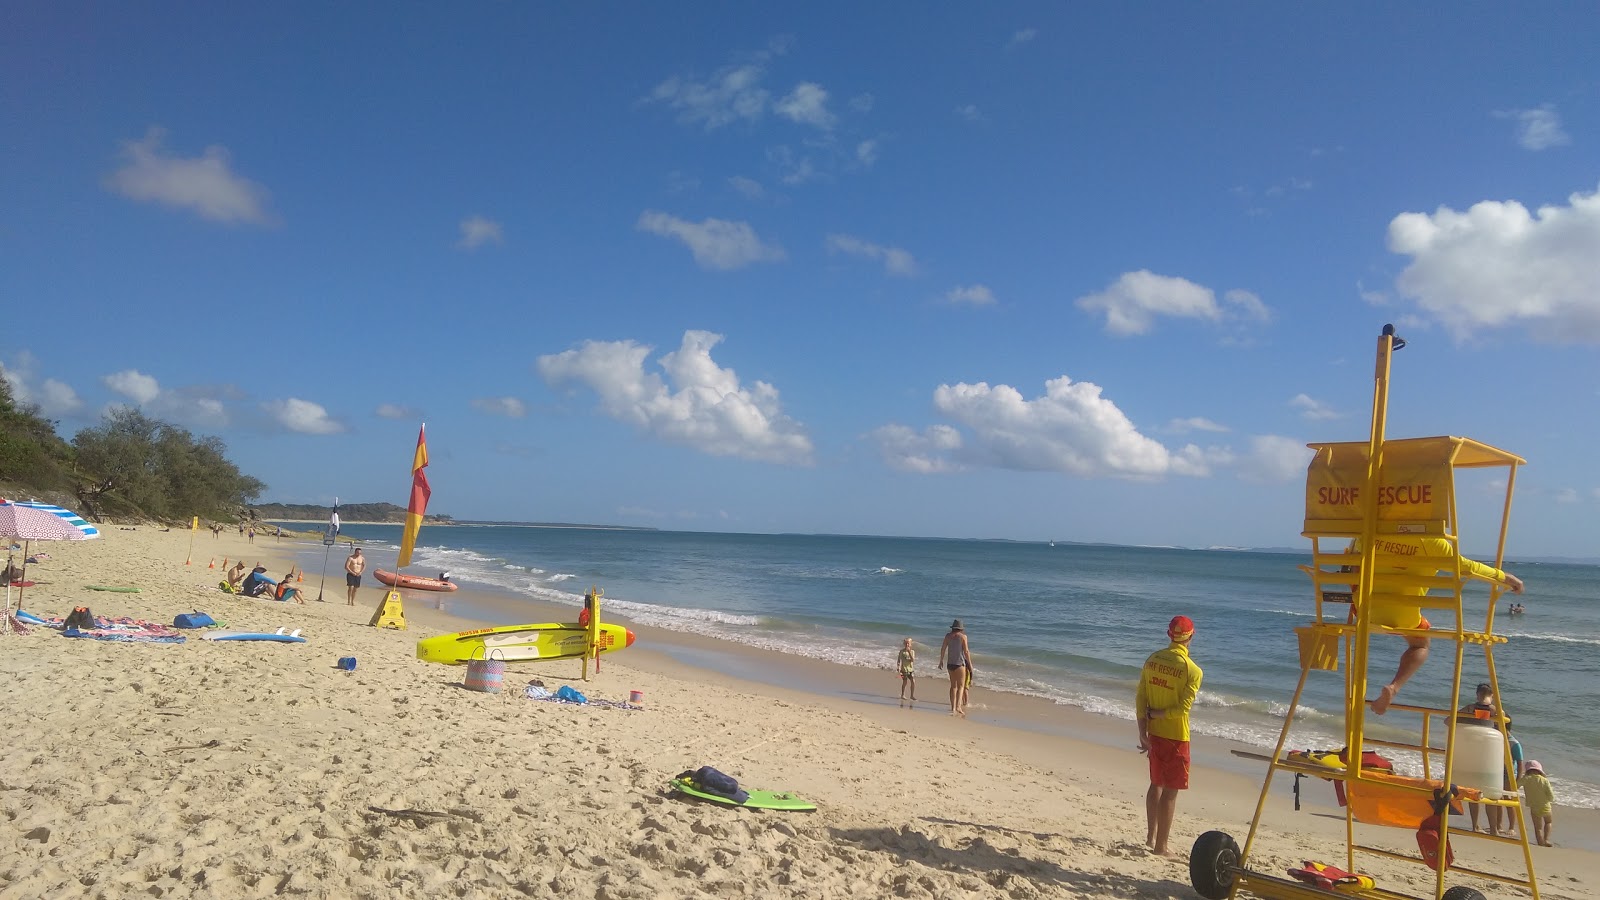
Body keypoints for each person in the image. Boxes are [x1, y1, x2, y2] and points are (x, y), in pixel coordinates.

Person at [1356, 535, 1523, 715]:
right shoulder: (1431, 540)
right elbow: (1468, 568)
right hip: (1403, 616)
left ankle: (1357, 705)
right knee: (1421, 644)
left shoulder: (1371, 529)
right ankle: (1394, 687)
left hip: (1363, 610)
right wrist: (1505, 577)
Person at [1136, 615, 1204, 856]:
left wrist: (1143, 730)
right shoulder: (1193, 671)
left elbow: (1140, 698)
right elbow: (1182, 710)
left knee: (1156, 783)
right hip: (1176, 736)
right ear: (1191, 637)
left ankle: (1150, 837)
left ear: (1169, 635)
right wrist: (1159, 713)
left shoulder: (1152, 660)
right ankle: (1161, 847)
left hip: (1154, 733)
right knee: (1171, 791)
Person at [938, 620, 973, 717]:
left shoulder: (947, 636)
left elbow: (943, 648)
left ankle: (953, 708)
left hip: (950, 664)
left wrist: (941, 661)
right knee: (961, 686)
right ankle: (958, 706)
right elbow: (966, 651)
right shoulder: (963, 637)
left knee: (953, 686)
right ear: (961, 629)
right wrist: (970, 664)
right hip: (959, 664)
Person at [1520, 760, 1555, 846]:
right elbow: (1550, 794)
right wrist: (1551, 799)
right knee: (1548, 822)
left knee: (1538, 827)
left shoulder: (1526, 779)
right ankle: (1546, 839)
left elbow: (1516, 785)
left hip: (1534, 806)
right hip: (1545, 805)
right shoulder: (1544, 780)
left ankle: (1540, 842)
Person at [896, 638, 917, 705]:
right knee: (904, 682)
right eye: (905, 643)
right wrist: (898, 667)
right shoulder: (902, 651)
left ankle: (912, 695)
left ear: (911, 644)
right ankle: (902, 694)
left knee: (913, 681)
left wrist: (909, 652)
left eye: (908, 643)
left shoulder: (912, 652)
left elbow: (912, 660)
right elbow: (899, 660)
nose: (907, 644)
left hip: (911, 669)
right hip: (903, 669)